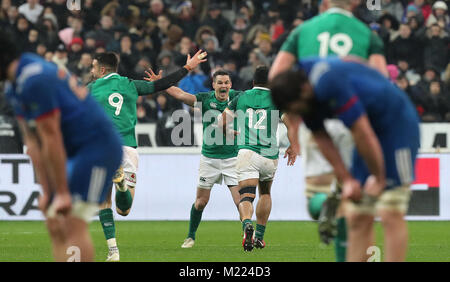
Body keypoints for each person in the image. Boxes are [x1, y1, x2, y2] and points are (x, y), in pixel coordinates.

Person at [268, 0, 388, 262]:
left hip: (316, 120)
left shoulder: (303, 31)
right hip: (355, 120)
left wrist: (296, 121)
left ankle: (324, 206)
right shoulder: (366, 33)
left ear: (324, 4)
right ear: (354, 3)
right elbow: (382, 82)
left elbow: (277, 77)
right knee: (354, 200)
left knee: (319, 197)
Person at [269, 57, 420, 262]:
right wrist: (347, 179)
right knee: (357, 214)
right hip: (365, 129)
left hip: (396, 124)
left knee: (390, 210)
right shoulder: (303, 88)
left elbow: (362, 132)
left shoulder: (328, 83)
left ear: (305, 89)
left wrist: (379, 178)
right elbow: (321, 137)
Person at [0, 31, 123, 262]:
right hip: (76, 150)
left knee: (71, 223)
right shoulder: (13, 86)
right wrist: (48, 191)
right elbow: (33, 143)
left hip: (98, 148)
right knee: (55, 221)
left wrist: (63, 193)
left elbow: (51, 135)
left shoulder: (34, 79)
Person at [88, 50, 207, 261]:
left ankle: (113, 250)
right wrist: (187, 67)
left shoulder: (91, 89)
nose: (91, 70)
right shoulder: (131, 84)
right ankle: (122, 185)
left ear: (102, 70)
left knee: (103, 202)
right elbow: (162, 84)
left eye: (93, 67)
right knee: (124, 209)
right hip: (128, 148)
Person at [146, 69, 243, 248]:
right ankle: (190, 236)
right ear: (213, 85)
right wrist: (162, 83)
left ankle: (248, 234)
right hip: (210, 159)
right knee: (200, 202)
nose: (223, 86)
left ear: (231, 85)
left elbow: (257, 100)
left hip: (232, 159)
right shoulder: (205, 99)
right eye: (219, 82)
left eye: (226, 82)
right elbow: (182, 95)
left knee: (240, 202)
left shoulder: (238, 98)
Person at [219, 66, 298, 251]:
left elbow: (222, 122)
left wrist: (228, 133)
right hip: (269, 156)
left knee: (246, 195)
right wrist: (293, 146)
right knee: (265, 193)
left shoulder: (241, 97)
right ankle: (260, 237)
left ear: (253, 82)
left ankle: (247, 223)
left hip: (247, 152)